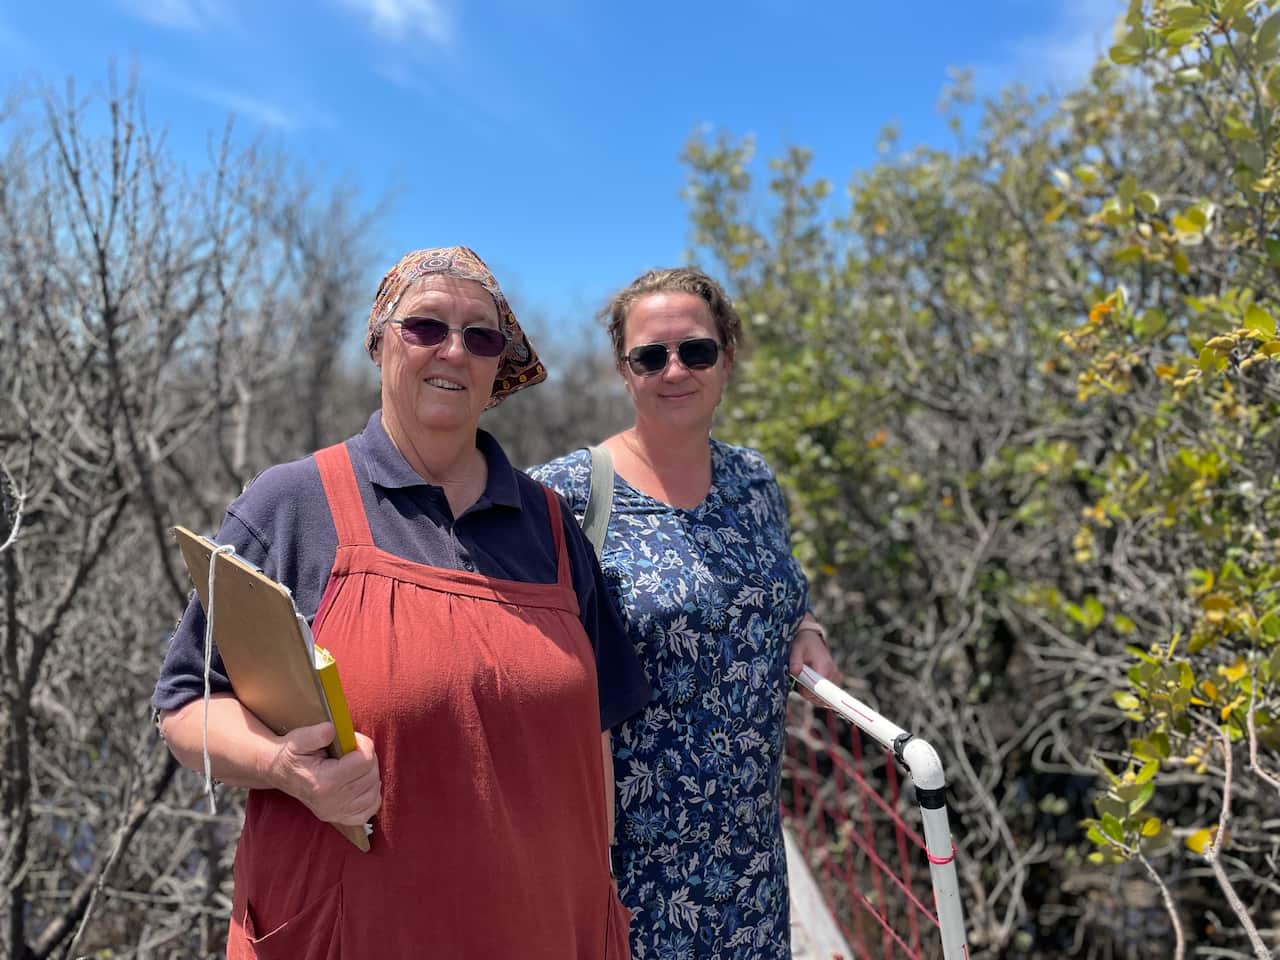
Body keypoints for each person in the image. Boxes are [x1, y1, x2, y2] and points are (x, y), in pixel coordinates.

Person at [153, 246, 650, 959]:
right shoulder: (293, 506)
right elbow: (186, 707)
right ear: (380, 341)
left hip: (547, 930)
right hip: (353, 934)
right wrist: (283, 768)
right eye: (425, 327)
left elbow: (595, 734)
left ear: (497, 371)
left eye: (482, 337)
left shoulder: (552, 528)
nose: (454, 351)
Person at [529, 267, 839, 960]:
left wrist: (807, 627)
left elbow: (776, 587)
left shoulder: (754, 481)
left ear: (727, 358)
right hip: (624, 866)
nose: (676, 371)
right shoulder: (567, 494)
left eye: (696, 351)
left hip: (752, 856)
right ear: (623, 371)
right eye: (651, 356)